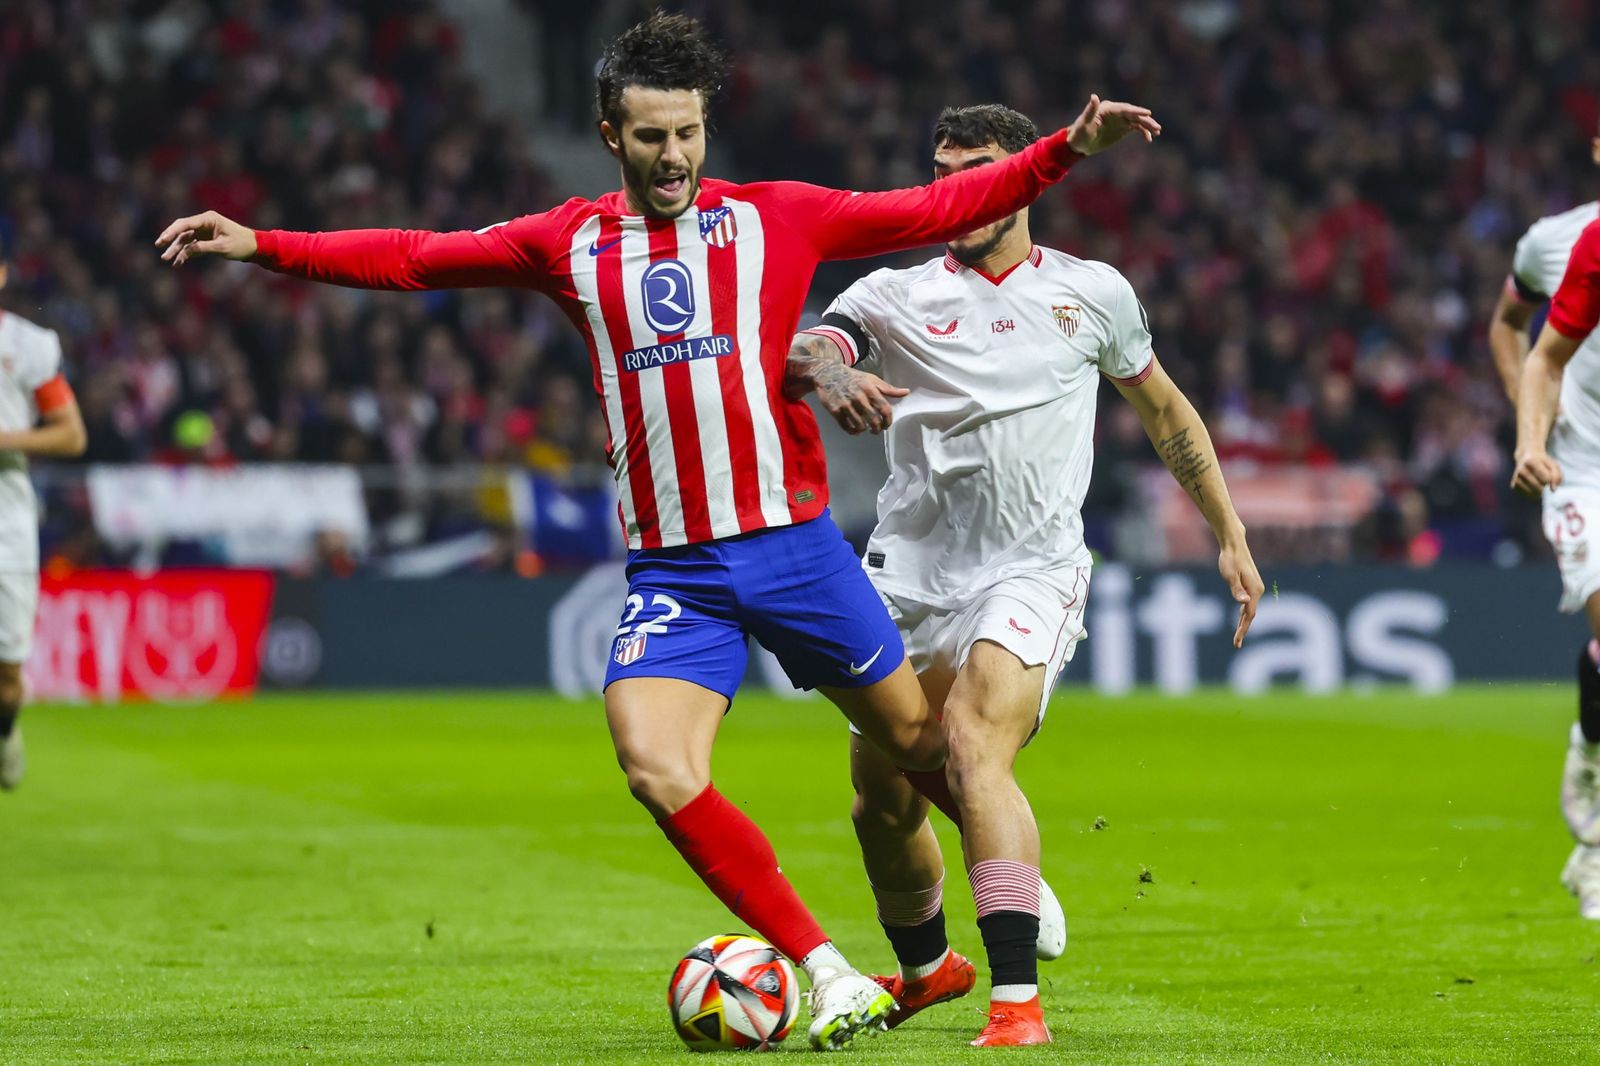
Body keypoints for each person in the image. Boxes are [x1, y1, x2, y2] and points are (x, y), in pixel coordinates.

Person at [155, 13, 1159, 1049]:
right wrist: (262, 245)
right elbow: (414, 257)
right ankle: (825, 969)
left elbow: (939, 205)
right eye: (650, 137)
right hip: (677, 571)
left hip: (797, 550)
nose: (673, 154)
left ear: (704, 127)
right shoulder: (567, 241)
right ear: (610, 136)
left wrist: (1065, 150)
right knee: (654, 764)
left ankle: (990, 893)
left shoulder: (778, 217)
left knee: (919, 748)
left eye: (687, 132)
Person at [786, 104, 1263, 1046]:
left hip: (1031, 569)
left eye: (978, 172)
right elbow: (810, 347)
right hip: (908, 573)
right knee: (881, 801)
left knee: (972, 746)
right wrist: (831, 375)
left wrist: (1228, 531)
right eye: (942, 174)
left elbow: (1166, 412)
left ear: (1020, 179)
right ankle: (929, 970)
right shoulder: (893, 294)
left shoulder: (1092, 293)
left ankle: (1016, 1006)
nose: (956, 191)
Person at [1508, 195, 1600, 921]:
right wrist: (1530, 440)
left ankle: (1594, 841)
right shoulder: (1577, 242)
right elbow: (1537, 352)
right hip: (1583, 468)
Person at [0, 234, 90, 790]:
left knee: (7, 678)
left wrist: (5, 440)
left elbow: (71, 435)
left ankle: (6, 730)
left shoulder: (25, 344)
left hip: (6, 525)